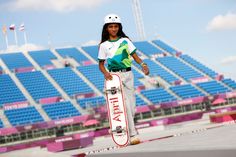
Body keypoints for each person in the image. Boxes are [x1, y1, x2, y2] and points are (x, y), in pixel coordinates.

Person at [98, 14, 149, 145]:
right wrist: (105, 74)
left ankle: (126, 127)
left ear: (119, 27)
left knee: (132, 107)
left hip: (128, 75)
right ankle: (133, 135)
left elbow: (135, 56)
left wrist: (143, 65)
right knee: (125, 106)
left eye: (116, 26)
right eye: (111, 26)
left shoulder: (125, 41)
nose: (113, 29)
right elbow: (101, 64)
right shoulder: (103, 45)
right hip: (114, 77)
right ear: (106, 28)